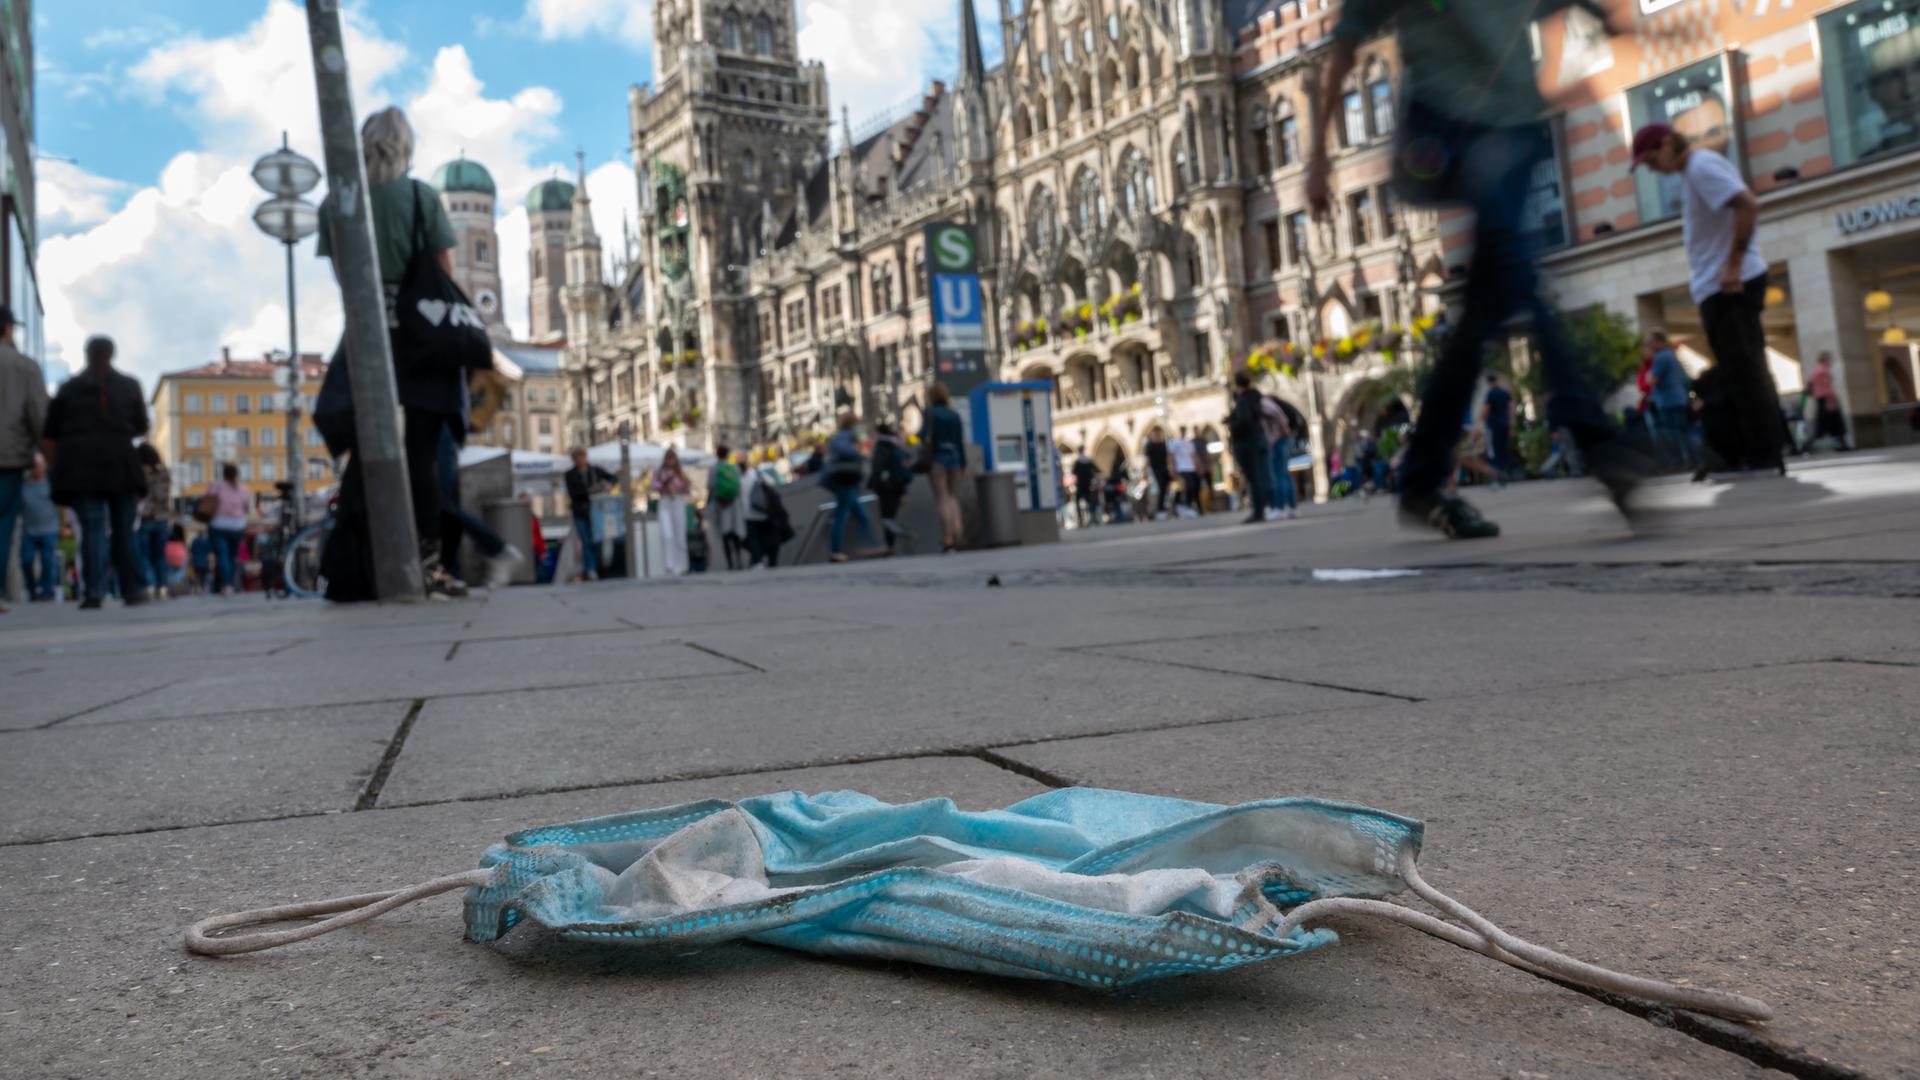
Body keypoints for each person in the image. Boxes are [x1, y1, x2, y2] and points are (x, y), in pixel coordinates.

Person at [1310, 0, 1641, 540]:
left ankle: (1421, 480)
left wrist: (1601, 24)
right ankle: (1600, 444)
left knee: (1485, 311)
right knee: (1515, 273)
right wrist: (1318, 160)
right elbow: (1345, 44)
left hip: (1514, 127)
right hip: (1449, 129)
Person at [314, 106, 474, 599]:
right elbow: (445, 273)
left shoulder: (336, 202)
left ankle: (357, 565)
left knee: (367, 455)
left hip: (367, 339)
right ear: (405, 147)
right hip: (423, 343)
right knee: (423, 459)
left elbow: (344, 277)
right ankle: (428, 565)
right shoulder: (422, 198)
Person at [1633, 120, 1783, 475]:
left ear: (1667, 143)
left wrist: (1732, 264)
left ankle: (1764, 454)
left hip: (1729, 284)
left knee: (1745, 370)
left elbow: (1747, 204)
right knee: (1737, 370)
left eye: (1651, 159)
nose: (1652, 169)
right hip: (1719, 285)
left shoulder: (1701, 167)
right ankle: (1745, 451)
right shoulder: (1693, 173)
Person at [42, 335, 150, 609]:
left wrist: (55, 467)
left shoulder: (68, 389)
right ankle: (132, 589)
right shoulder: (129, 386)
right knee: (124, 530)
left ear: (86, 354)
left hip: (82, 469)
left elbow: (50, 432)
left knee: (92, 530)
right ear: (112, 354)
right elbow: (141, 426)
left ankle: (94, 591)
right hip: (121, 466)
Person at [0, 303, 47, 613]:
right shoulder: (24, 366)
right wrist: (39, 453)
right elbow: (38, 415)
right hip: (8, 457)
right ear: (7, 328)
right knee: (3, 524)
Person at [436, 424, 520, 588]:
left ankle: (497, 549)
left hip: (435, 420)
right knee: (445, 505)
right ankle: (450, 571)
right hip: (439, 422)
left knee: (442, 503)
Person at [821, 412, 881, 563]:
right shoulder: (848, 435)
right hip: (845, 478)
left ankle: (870, 544)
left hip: (846, 478)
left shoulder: (840, 435)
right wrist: (859, 451)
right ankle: (839, 550)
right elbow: (854, 450)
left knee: (860, 514)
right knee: (843, 514)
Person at [920, 382, 968, 552]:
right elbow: (959, 441)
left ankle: (947, 538)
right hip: (955, 458)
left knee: (942, 497)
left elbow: (923, 434)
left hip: (938, 457)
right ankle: (959, 534)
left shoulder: (930, 412)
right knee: (953, 497)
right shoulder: (954, 414)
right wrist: (963, 464)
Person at [564, 448, 618, 581]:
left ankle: (598, 568)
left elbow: (613, 478)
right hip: (580, 512)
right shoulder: (570, 474)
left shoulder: (595, 471)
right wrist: (591, 491)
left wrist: (608, 486)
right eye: (577, 458)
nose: (580, 460)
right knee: (586, 541)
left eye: (581, 457)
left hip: (596, 512)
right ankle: (591, 569)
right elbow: (573, 493)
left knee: (597, 540)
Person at [1644, 332, 1696, 469]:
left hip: (1667, 401)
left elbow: (1652, 380)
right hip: (1679, 398)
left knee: (1673, 433)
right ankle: (1693, 459)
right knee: (1683, 430)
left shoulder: (1661, 357)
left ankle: (1681, 462)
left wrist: (1649, 373)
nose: (1649, 345)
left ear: (1657, 341)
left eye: (1650, 342)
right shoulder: (1671, 355)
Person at [1227, 372, 1272, 524]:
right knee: (1259, 476)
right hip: (1258, 439)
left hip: (1246, 442)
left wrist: (1232, 424)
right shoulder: (1256, 397)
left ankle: (1257, 511)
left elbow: (1243, 421)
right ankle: (1262, 509)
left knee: (1253, 478)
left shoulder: (1243, 400)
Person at [204, 463, 251, 596]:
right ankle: (230, 583)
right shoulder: (243, 489)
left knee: (222, 556)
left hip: (219, 525)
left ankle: (226, 585)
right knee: (231, 556)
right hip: (237, 526)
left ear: (223, 473)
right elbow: (247, 509)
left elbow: (206, 502)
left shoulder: (216, 486)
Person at [867, 424, 913, 553]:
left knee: (886, 517)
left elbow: (878, 467)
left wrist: (872, 484)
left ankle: (902, 535)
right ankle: (890, 545)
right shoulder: (896, 445)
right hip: (898, 486)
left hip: (886, 487)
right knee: (890, 516)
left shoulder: (881, 447)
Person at [19, 454, 59, 602]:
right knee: (26, 560)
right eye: (34, 465)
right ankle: (32, 588)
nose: (37, 468)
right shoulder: (23, 484)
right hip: (28, 530)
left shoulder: (50, 483)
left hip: (49, 528)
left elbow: (62, 506)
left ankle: (47, 591)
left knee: (48, 561)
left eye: (40, 465)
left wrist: (65, 525)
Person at [135, 444, 172, 598]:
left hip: (145, 518)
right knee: (160, 555)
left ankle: (148, 585)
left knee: (144, 554)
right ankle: (162, 586)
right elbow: (164, 494)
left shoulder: (140, 472)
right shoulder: (164, 472)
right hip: (163, 518)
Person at [650, 448, 692, 576]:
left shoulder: (680, 472)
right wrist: (664, 484)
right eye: (668, 459)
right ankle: (669, 565)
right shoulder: (659, 471)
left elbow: (686, 489)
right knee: (667, 534)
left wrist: (684, 483)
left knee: (679, 534)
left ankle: (682, 565)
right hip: (665, 501)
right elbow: (653, 486)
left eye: (672, 459)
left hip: (677, 501)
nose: (670, 461)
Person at [743, 465, 794, 568]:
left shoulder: (739, 479)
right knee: (770, 537)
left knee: (754, 539)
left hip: (749, 514)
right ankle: (771, 561)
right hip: (764, 512)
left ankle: (758, 561)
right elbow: (771, 484)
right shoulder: (757, 474)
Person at [708, 444, 747, 570]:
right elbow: (739, 487)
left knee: (725, 533)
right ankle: (739, 560)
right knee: (735, 532)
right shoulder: (734, 467)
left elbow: (711, 486)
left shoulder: (714, 468)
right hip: (734, 503)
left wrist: (709, 502)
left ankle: (730, 563)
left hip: (721, 504)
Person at [1261, 396, 1297, 520]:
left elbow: (1277, 415)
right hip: (1281, 438)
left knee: (1278, 475)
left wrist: (1281, 432)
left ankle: (1279, 508)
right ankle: (1292, 507)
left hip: (1278, 440)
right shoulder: (1266, 402)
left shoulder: (1263, 403)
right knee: (1284, 474)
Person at [1806, 352, 1850, 452]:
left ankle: (1839, 444)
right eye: (1830, 359)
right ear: (1826, 359)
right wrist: (1834, 399)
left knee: (1823, 424)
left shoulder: (1817, 370)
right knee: (1834, 423)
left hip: (1821, 399)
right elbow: (1826, 387)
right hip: (1827, 399)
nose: (1831, 361)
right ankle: (1840, 444)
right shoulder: (1824, 370)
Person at [1482, 374, 1515, 479]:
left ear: (1489, 382)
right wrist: (1511, 423)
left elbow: (1487, 408)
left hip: (1493, 425)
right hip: (1504, 424)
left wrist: (1482, 419)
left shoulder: (1490, 393)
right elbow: (1511, 407)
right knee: (1503, 449)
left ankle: (1497, 474)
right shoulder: (1505, 392)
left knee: (1494, 450)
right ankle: (1506, 472)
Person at [1169, 426, 1201, 515]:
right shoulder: (1174, 443)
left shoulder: (1189, 443)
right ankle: (1181, 506)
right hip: (1181, 469)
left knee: (1193, 488)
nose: (1182, 433)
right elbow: (1171, 456)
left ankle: (1187, 506)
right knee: (1186, 487)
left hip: (1191, 468)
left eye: (1184, 431)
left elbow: (1194, 456)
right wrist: (1172, 467)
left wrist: (1198, 467)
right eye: (1181, 431)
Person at [1144, 427, 1173, 519]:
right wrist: (1145, 472)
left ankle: (1165, 508)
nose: (1157, 435)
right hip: (1156, 470)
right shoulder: (1150, 445)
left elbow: (1168, 457)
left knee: (1166, 488)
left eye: (1159, 433)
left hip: (1165, 469)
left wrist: (1171, 468)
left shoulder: (1164, 444)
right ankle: (1160, 510)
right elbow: (1147, 460)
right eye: (1156, 433)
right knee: (1160, 488)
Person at [1070, 447, 1100, 527]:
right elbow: (1097, 469)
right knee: (1090, 501)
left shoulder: (1077, 462)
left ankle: (1080, 519)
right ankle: (1092, 517)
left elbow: (1073, 471)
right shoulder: (1088, 461)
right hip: (1087, 485)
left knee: (1078, 501)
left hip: (1080, 485)